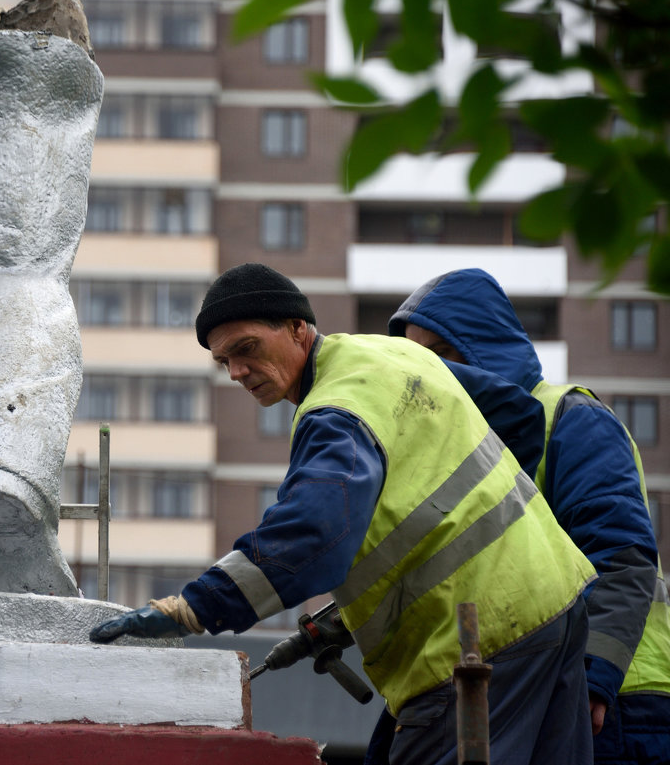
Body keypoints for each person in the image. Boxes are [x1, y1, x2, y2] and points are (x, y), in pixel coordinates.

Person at [90, 263, 598, 765]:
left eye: (246, 349)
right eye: (224, 362)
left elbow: (313, 536)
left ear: (297, 328)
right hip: (558, 603)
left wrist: (192, 609)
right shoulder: (390, 352)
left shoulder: (336, 409)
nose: (238, 372)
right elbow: (519, 414)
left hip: (477, 635)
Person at [389, 267, 670, 765]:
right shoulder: (462, 445)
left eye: (441, 352)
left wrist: (594, 675)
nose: (431, 371)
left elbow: (621, 555)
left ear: (485, 348)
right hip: (533, 687)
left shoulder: (568, 417)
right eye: (417, 357)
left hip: (619, 695)